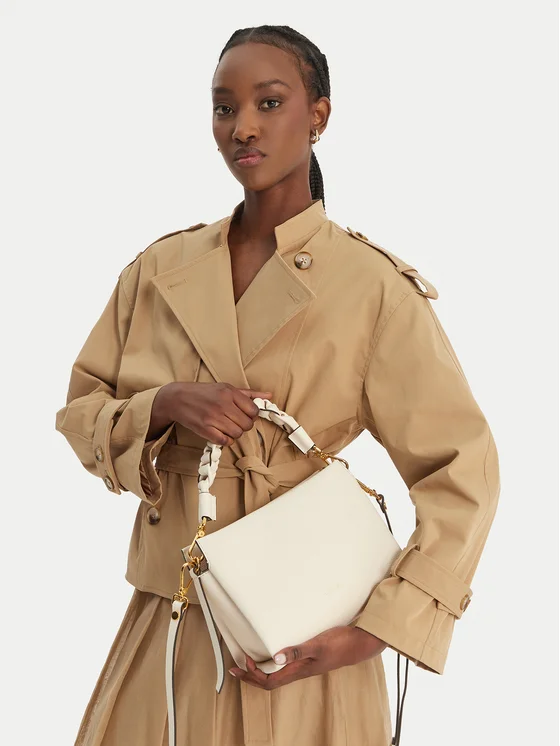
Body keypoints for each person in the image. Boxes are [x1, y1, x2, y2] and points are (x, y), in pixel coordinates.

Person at [55, 24, 501, 746]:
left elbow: (463, 468)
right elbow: (82, 411)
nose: (243, 127)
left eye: (269, 102)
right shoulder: (159, 269)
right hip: (172, 617)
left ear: (318, 115)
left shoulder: (372, 288)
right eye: (224, 107)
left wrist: (382, 627)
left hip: (304, 633)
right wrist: (163, 405)